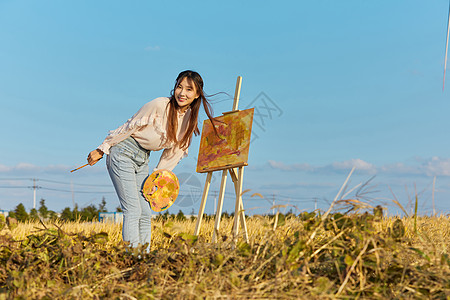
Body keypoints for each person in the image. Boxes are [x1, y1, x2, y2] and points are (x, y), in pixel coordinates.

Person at [87, 70, 216, 249]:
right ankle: (132, 257)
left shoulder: (188, 121)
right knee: (133, 210)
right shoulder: (159, 105)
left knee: (145, 212)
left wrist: (157, 178)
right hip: (123, 151)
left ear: (197, 95)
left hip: (143, 159)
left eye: (188, 89)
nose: (182, 93)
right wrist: (102, 148)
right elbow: (130, 125)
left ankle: (144, 257)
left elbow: (174, 154)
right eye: (179, 87)